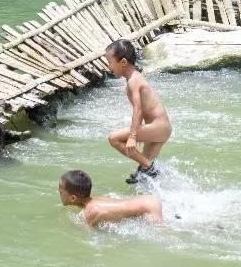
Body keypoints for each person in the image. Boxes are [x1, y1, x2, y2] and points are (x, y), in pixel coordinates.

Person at [104, 39, 172, 184]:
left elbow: (138, 108)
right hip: (161, 129)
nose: (108, 67)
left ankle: (149, 167)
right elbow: (142, 107)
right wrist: (140, 133)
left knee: (114, 139)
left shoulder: (133, 81)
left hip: (158, 127)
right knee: (143, 177)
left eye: (110, 62)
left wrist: (133, 136)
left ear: (122, 62)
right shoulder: (135, 78)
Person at [58, 170, 163, 228]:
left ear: (73, 198)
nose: (59, 193)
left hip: (148, 207)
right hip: (147, 200)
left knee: (162, 233)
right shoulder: (95, 200)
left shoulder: (90, 212)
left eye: (61, 191)